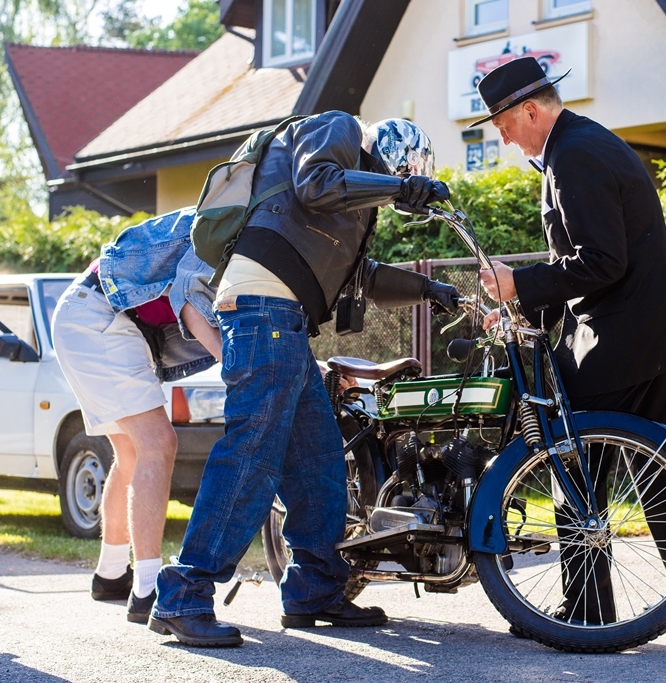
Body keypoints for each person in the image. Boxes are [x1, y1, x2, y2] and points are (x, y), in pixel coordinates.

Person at [149, 113, 460, 647]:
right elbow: (316, 185)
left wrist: (430, 289)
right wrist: (398, 188)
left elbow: (360, 276)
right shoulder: (336, 130)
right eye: (399, 170)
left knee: (317, 462)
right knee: (253, 454)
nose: (397, 182)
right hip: (261, 311)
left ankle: (314, 590)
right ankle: (183, 592)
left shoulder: (354, 202)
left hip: (282, 321)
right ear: (386, 148)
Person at [473, 57, 666, 622]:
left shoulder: (574, 155)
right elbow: (583, 260)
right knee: (659, 463)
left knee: (575, 461)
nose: (503, 138)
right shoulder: (580, 146)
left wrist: (518, 283)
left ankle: (587, 609)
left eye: (503, 126)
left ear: (531, 110)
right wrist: (524, 303)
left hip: (626, 338)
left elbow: (600, 262)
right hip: (656, 331)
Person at [51, 207, 223, 623]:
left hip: (84, 311)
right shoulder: (226, 223)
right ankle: (148, 591)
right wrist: (238, 367)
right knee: (158, 444)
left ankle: (112, 574)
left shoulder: (220, 214)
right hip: (100, 317)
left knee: (130, 454)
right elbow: (189, 305)